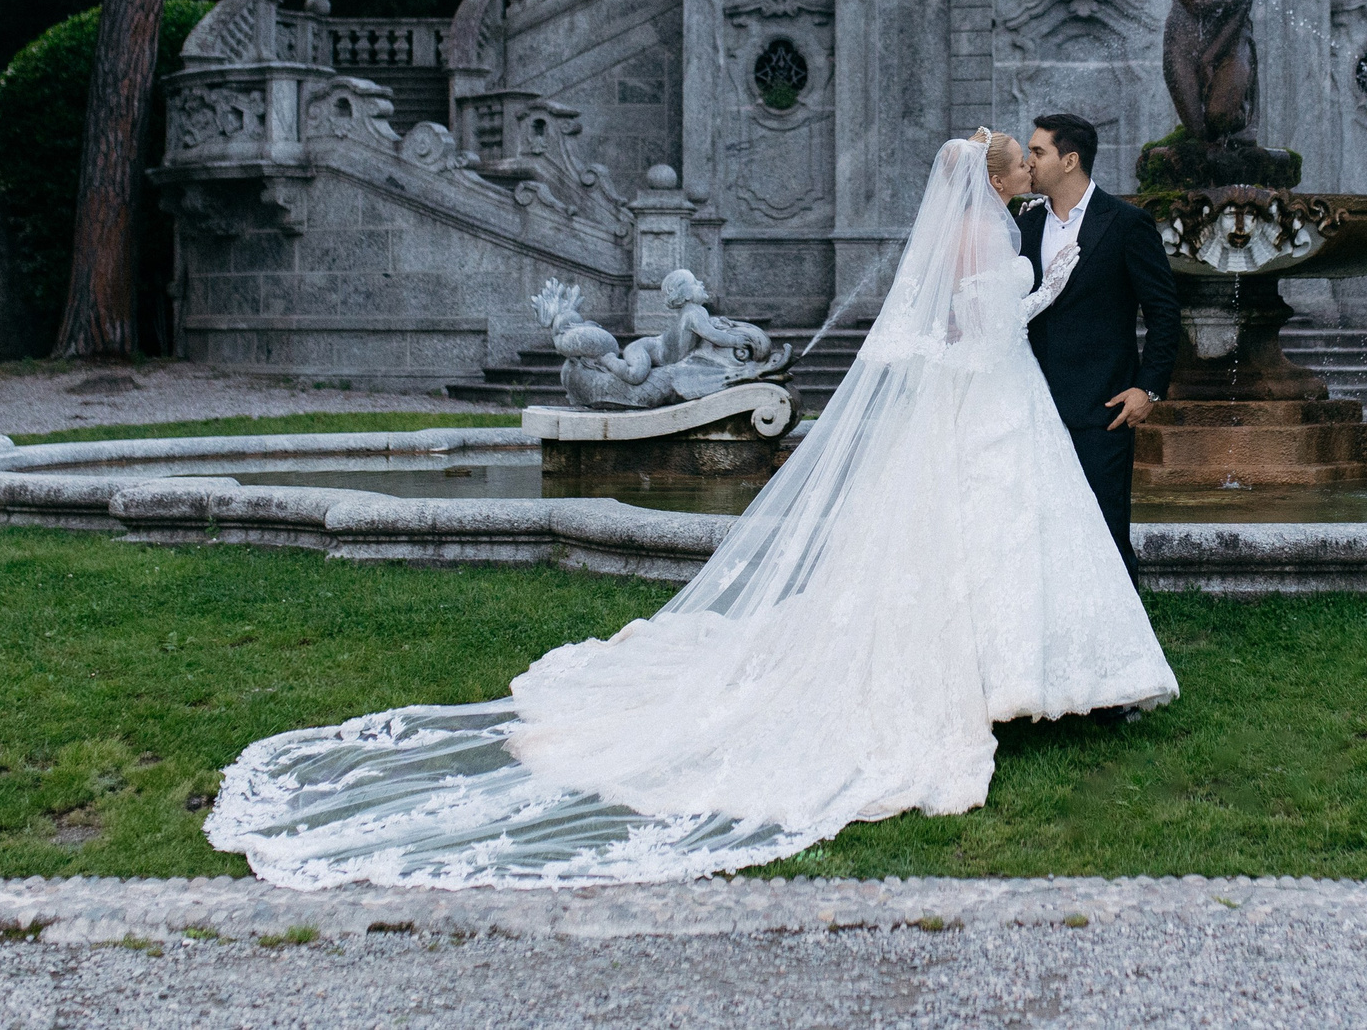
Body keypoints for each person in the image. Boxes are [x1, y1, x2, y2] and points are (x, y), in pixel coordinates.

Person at [203, 133, 1175, 888]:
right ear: (1003, 179)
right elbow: (977, 324)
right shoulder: (994, 234)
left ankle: (1014, 675)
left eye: (1035, 156)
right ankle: (1003, 677)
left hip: (996, 407)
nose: (1031, 168)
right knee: (983, 539)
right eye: (1024, 159)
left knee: (972, 543)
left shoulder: (997, 231)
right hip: (990, 403)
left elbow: (976, 317)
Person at [1018, 113, 1183, 588]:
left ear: (1070, 161)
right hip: (1030, 403)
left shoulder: (1127, 223)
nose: (1029, 161)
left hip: (1102, 406)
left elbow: (1164, 312)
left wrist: (1148, 388)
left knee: (1105, 529)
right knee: (1038, 530)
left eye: (1038, 152)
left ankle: (1124, 636)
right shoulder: (1024, 224)